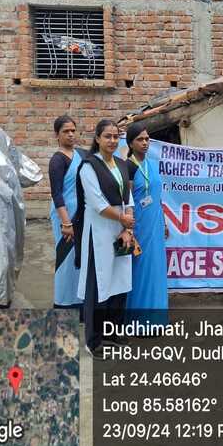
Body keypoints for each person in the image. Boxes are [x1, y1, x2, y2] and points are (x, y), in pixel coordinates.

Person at [74, 119, 135, 359]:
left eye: (116, 136)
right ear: (97, 138)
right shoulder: (89, 167)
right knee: (98, 283)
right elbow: (98, 204)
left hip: (121, 230)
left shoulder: (121, 164)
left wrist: (127, 228)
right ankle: (94, 339)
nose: (112, 140)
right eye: (107, 136)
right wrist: (123, 219)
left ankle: (114, 330)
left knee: (120, 281)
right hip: (98, 232)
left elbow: (128, 198)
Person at [125, 123, 169, 323]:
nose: (144, 143)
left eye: (147, 139)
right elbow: (126, 201)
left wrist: (165, 222)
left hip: (156, 223)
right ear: (130, 143)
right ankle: (139, 321)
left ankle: (157, 319)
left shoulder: (152, 164)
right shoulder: (128, 167)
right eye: (139, 139)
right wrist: (128, 229)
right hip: (139, 226)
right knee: (141, 270)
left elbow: (157, 197)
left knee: (157, 270)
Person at [48, 115, 86, 311]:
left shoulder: (80, 154)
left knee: (79, 258)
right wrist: (66, 223)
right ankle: (62, 302)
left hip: (81, 214)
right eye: (66, 131)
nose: (71, 134)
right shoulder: (57, 160)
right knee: (65, 258)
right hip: (65, 215)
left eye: (73, 130)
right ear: (57, 135)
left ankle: (78, 300)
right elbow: (56, 193)